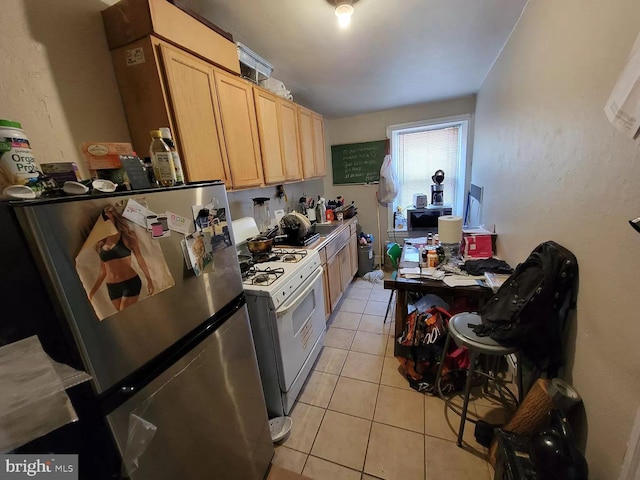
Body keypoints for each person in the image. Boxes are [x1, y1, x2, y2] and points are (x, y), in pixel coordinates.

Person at [89, 206, 154, 311]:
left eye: (108, 219)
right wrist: (91, 293)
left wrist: (149, 280)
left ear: (115, 218)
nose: (106, 222)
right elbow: (103, 272)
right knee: (124, 320)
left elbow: (140, 258)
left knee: (126, 316)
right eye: (104, 220)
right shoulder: (101, 243)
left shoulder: (127, 236)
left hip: (130, 283)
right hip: (112, 287)